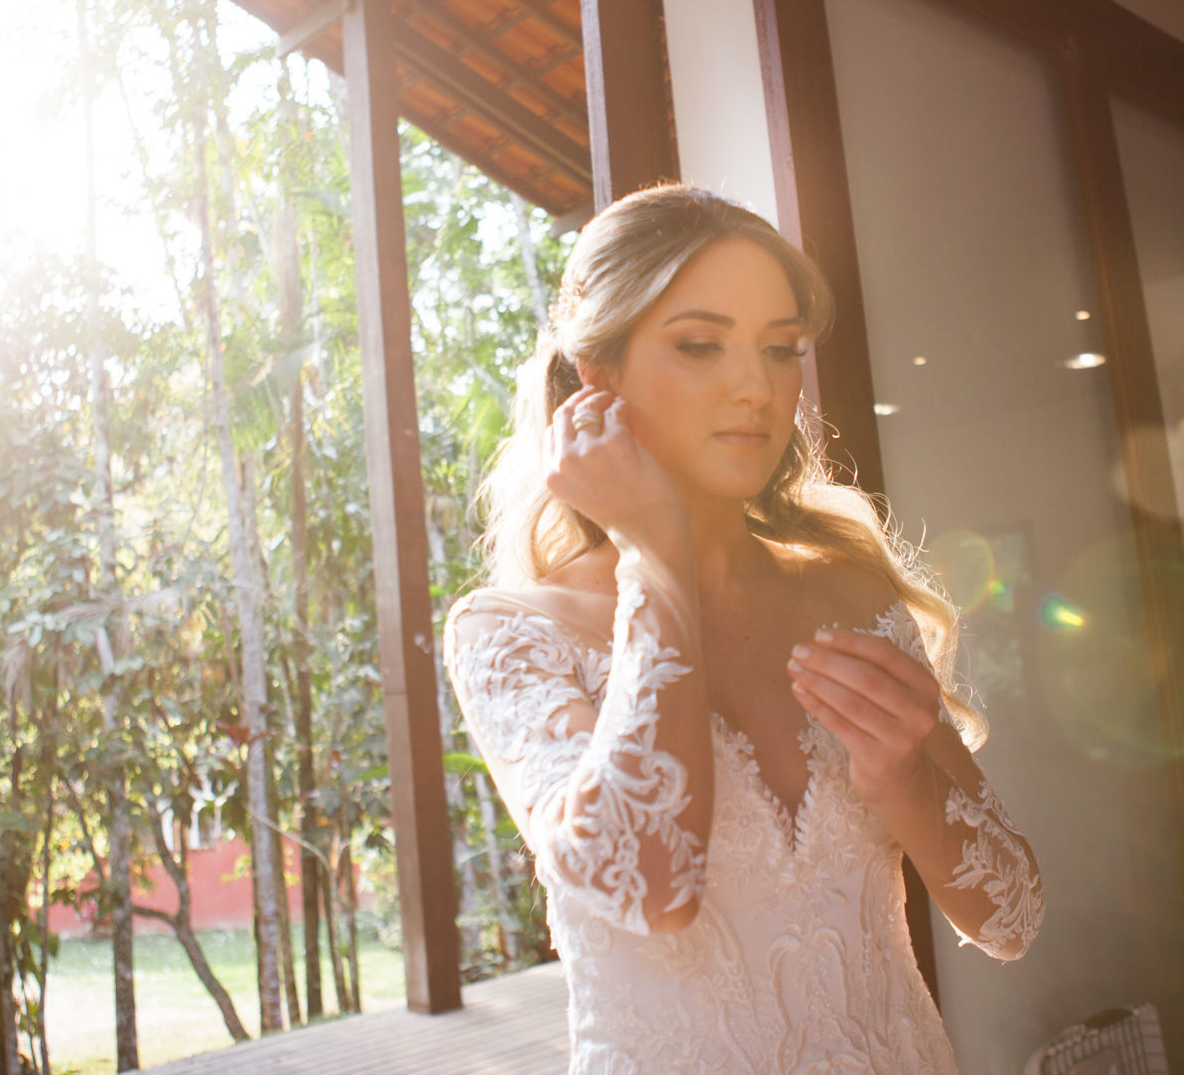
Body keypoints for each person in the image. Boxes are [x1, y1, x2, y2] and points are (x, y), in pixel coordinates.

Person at [443, 185, 1042, 1072]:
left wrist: (902, 774)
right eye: (699, 345)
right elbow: (651, 885)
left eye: (779, 349)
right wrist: (656, 557)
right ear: (596, 373)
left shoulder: (851, 595)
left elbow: (1012, 918)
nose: (755, 387)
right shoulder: (512, 635)